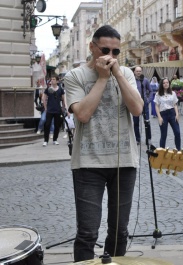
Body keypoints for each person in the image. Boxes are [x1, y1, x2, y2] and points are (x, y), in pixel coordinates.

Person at [64, 25, 144, 262]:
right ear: (92, 47)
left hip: (124, 162)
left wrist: (118, 74)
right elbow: (83, 114)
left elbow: (137, 109)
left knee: (119, 231)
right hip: (88, 164)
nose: (110, 56)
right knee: (88, 232)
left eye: (116, 51)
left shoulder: (127, 74)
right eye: (105, 49)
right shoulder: (75, 76)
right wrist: (102, 79)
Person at [154, 77, 181, 150]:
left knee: (177, 132)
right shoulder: (158, 94)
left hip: (172, 113)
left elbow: (175, 104)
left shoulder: (173, 93)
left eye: (167, 82)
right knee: (163, 134)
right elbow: (156, 106)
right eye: (164, 83)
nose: (166, 84)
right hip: (163, 114)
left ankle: (178, 149)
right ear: (161, 84)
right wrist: (159, 117)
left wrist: (177, 114)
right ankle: (162, 151)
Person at [42, 76, 66, 146]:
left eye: (53, 79)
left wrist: (63, 107)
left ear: (57, 81)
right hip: (49, 110)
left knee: (57, 125)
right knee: (47, 125)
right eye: (51, 79)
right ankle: (46, 140)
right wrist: (45, 108)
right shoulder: (48, 89)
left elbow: (63, 99)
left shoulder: (60, 89)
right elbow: (44, 98)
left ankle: (55, 139)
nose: (52, 80)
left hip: (57, 110)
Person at [132, 66, 152, 145]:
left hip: (145, 104)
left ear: (142, 72)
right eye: (137, 71)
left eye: (140, 71)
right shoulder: (132, 81)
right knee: (136, 123)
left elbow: (150, 91)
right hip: (135, 104)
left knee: (147, 122)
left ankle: (148, 138)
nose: (138, 72)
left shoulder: (145, 80)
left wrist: (148, 100)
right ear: (134, 72)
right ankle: (138, 139)